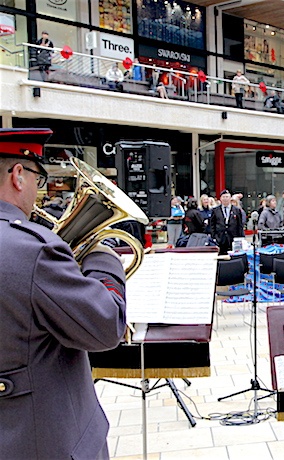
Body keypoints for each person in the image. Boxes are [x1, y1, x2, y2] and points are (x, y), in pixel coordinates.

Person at [0, 128, 127, 459]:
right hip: (42, 437)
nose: (37, 194)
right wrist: (102, 258)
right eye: (37, 180)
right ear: (17, 176)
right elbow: (106, 325)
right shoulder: (33, 251)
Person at [210, 189, 244, 255]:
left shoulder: (236, 210)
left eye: (227, 197)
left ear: (230, 198)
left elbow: (240, 225)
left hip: (233, 238)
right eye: (223, 197)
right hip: (220, 239)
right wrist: (214, 237)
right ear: (220, 198)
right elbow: (212, 225)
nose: (225, 199)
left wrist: (241, 238)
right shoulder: (215, 210)